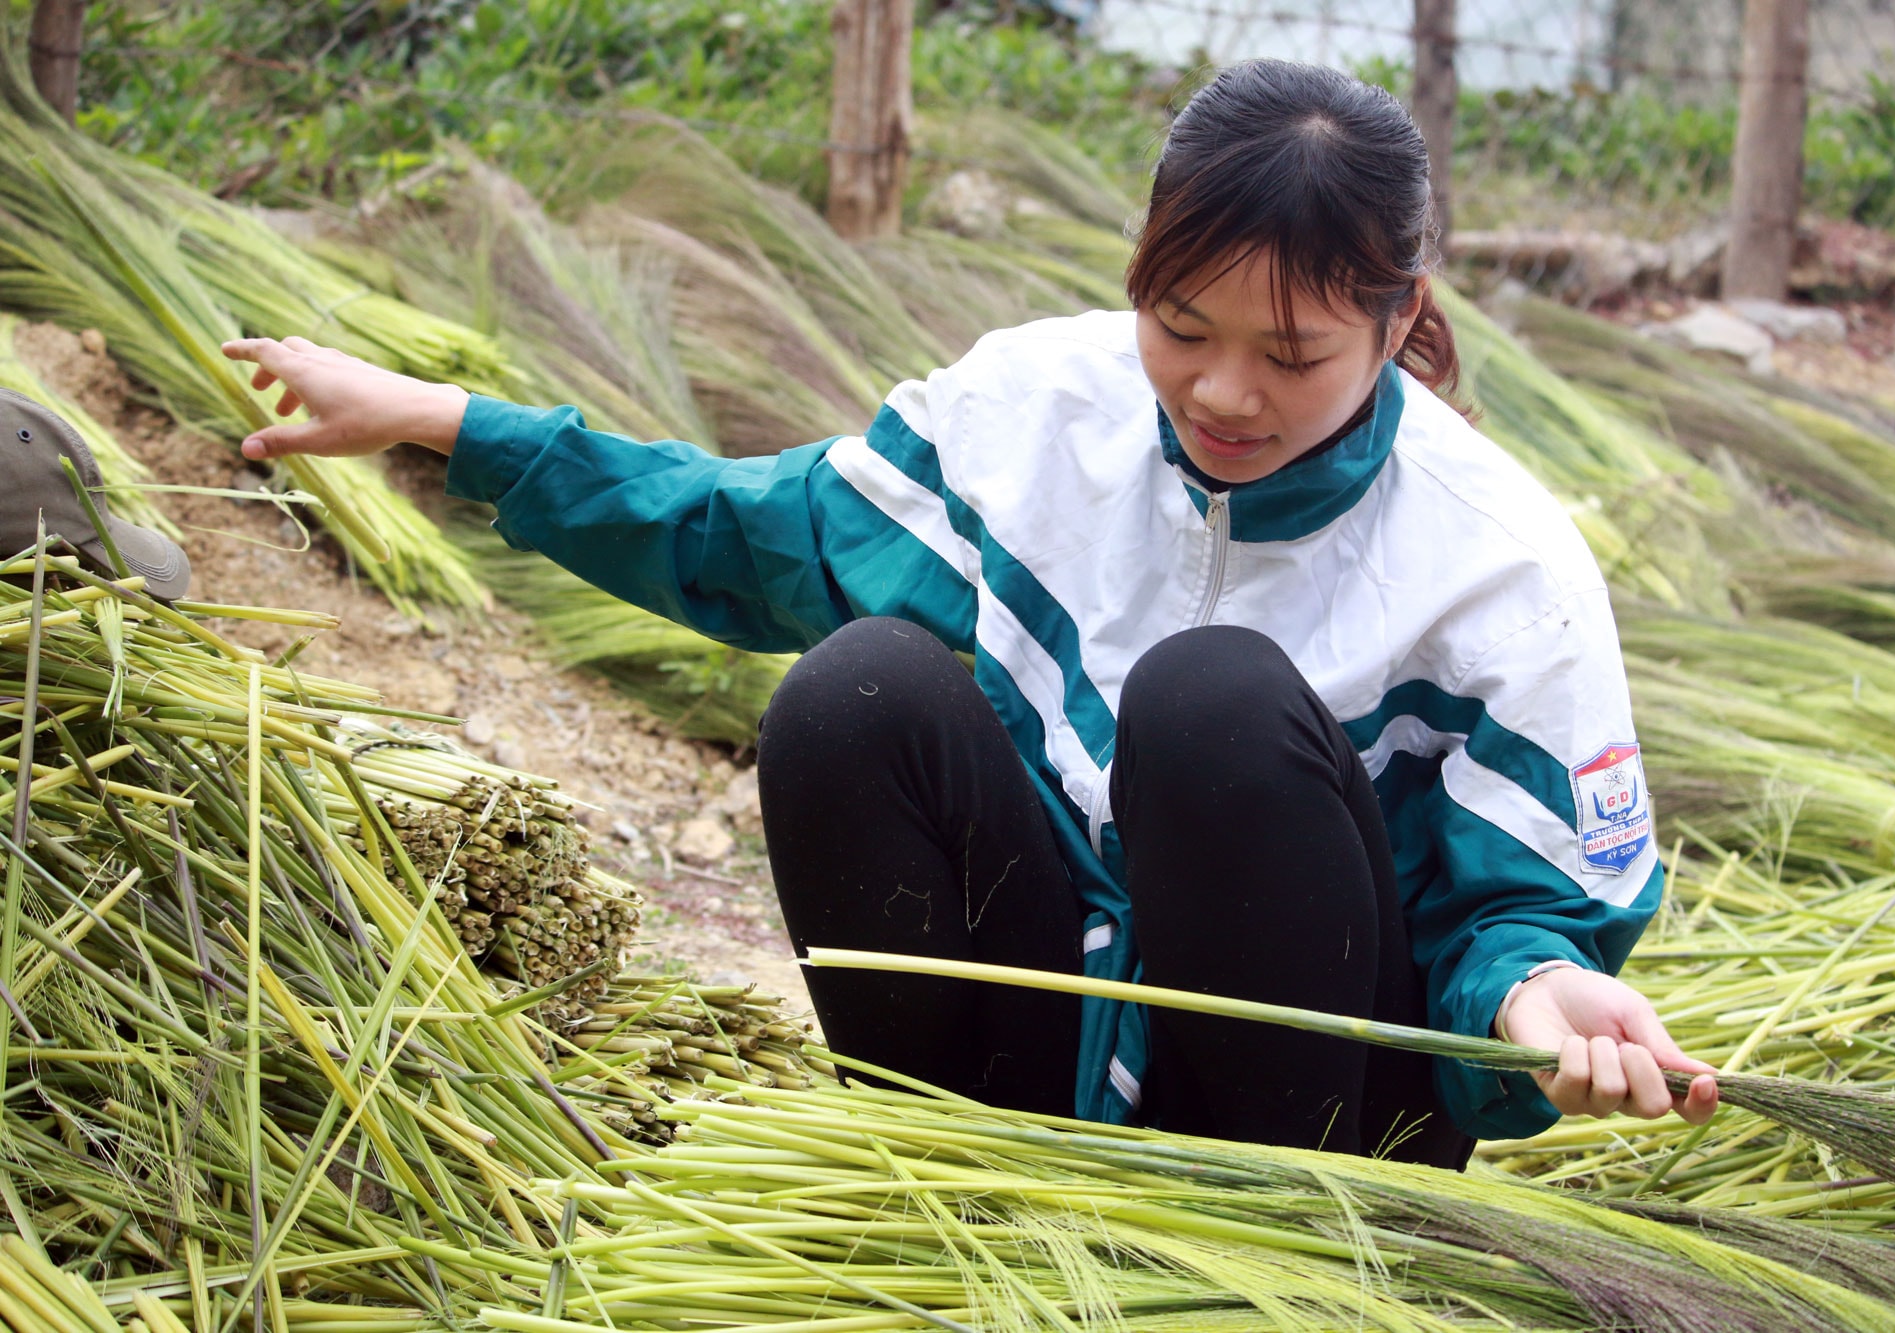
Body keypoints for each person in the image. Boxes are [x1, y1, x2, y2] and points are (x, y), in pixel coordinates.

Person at [223, 59, 1719, 1165]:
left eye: (1296, 354)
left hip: (1308, 1119)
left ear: (1399, 323)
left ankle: (1272, 1241)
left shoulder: (1498, 559)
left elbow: (1514, 912)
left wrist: (1534, 995)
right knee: (853, 687)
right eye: (1181, 326)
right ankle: (942, 1161)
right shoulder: (1033, 405)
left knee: (1209, 702)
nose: (1221, 392)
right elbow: (748, 535)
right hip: (1039, 1037)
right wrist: (440, 421)